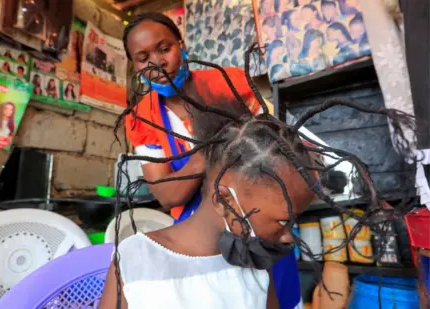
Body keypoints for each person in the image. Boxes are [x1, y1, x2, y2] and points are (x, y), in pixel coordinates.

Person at [113, 12, 302, 309]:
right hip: (198, 237)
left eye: (164, 49)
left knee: (273, 293)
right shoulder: (142, 118)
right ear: (134, 66)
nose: (156, 63)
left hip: (254, 217)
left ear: (181, 44)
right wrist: (211, 151)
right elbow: (165, 194)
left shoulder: (228, 84)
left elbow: (270, 152)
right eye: (142, 57)